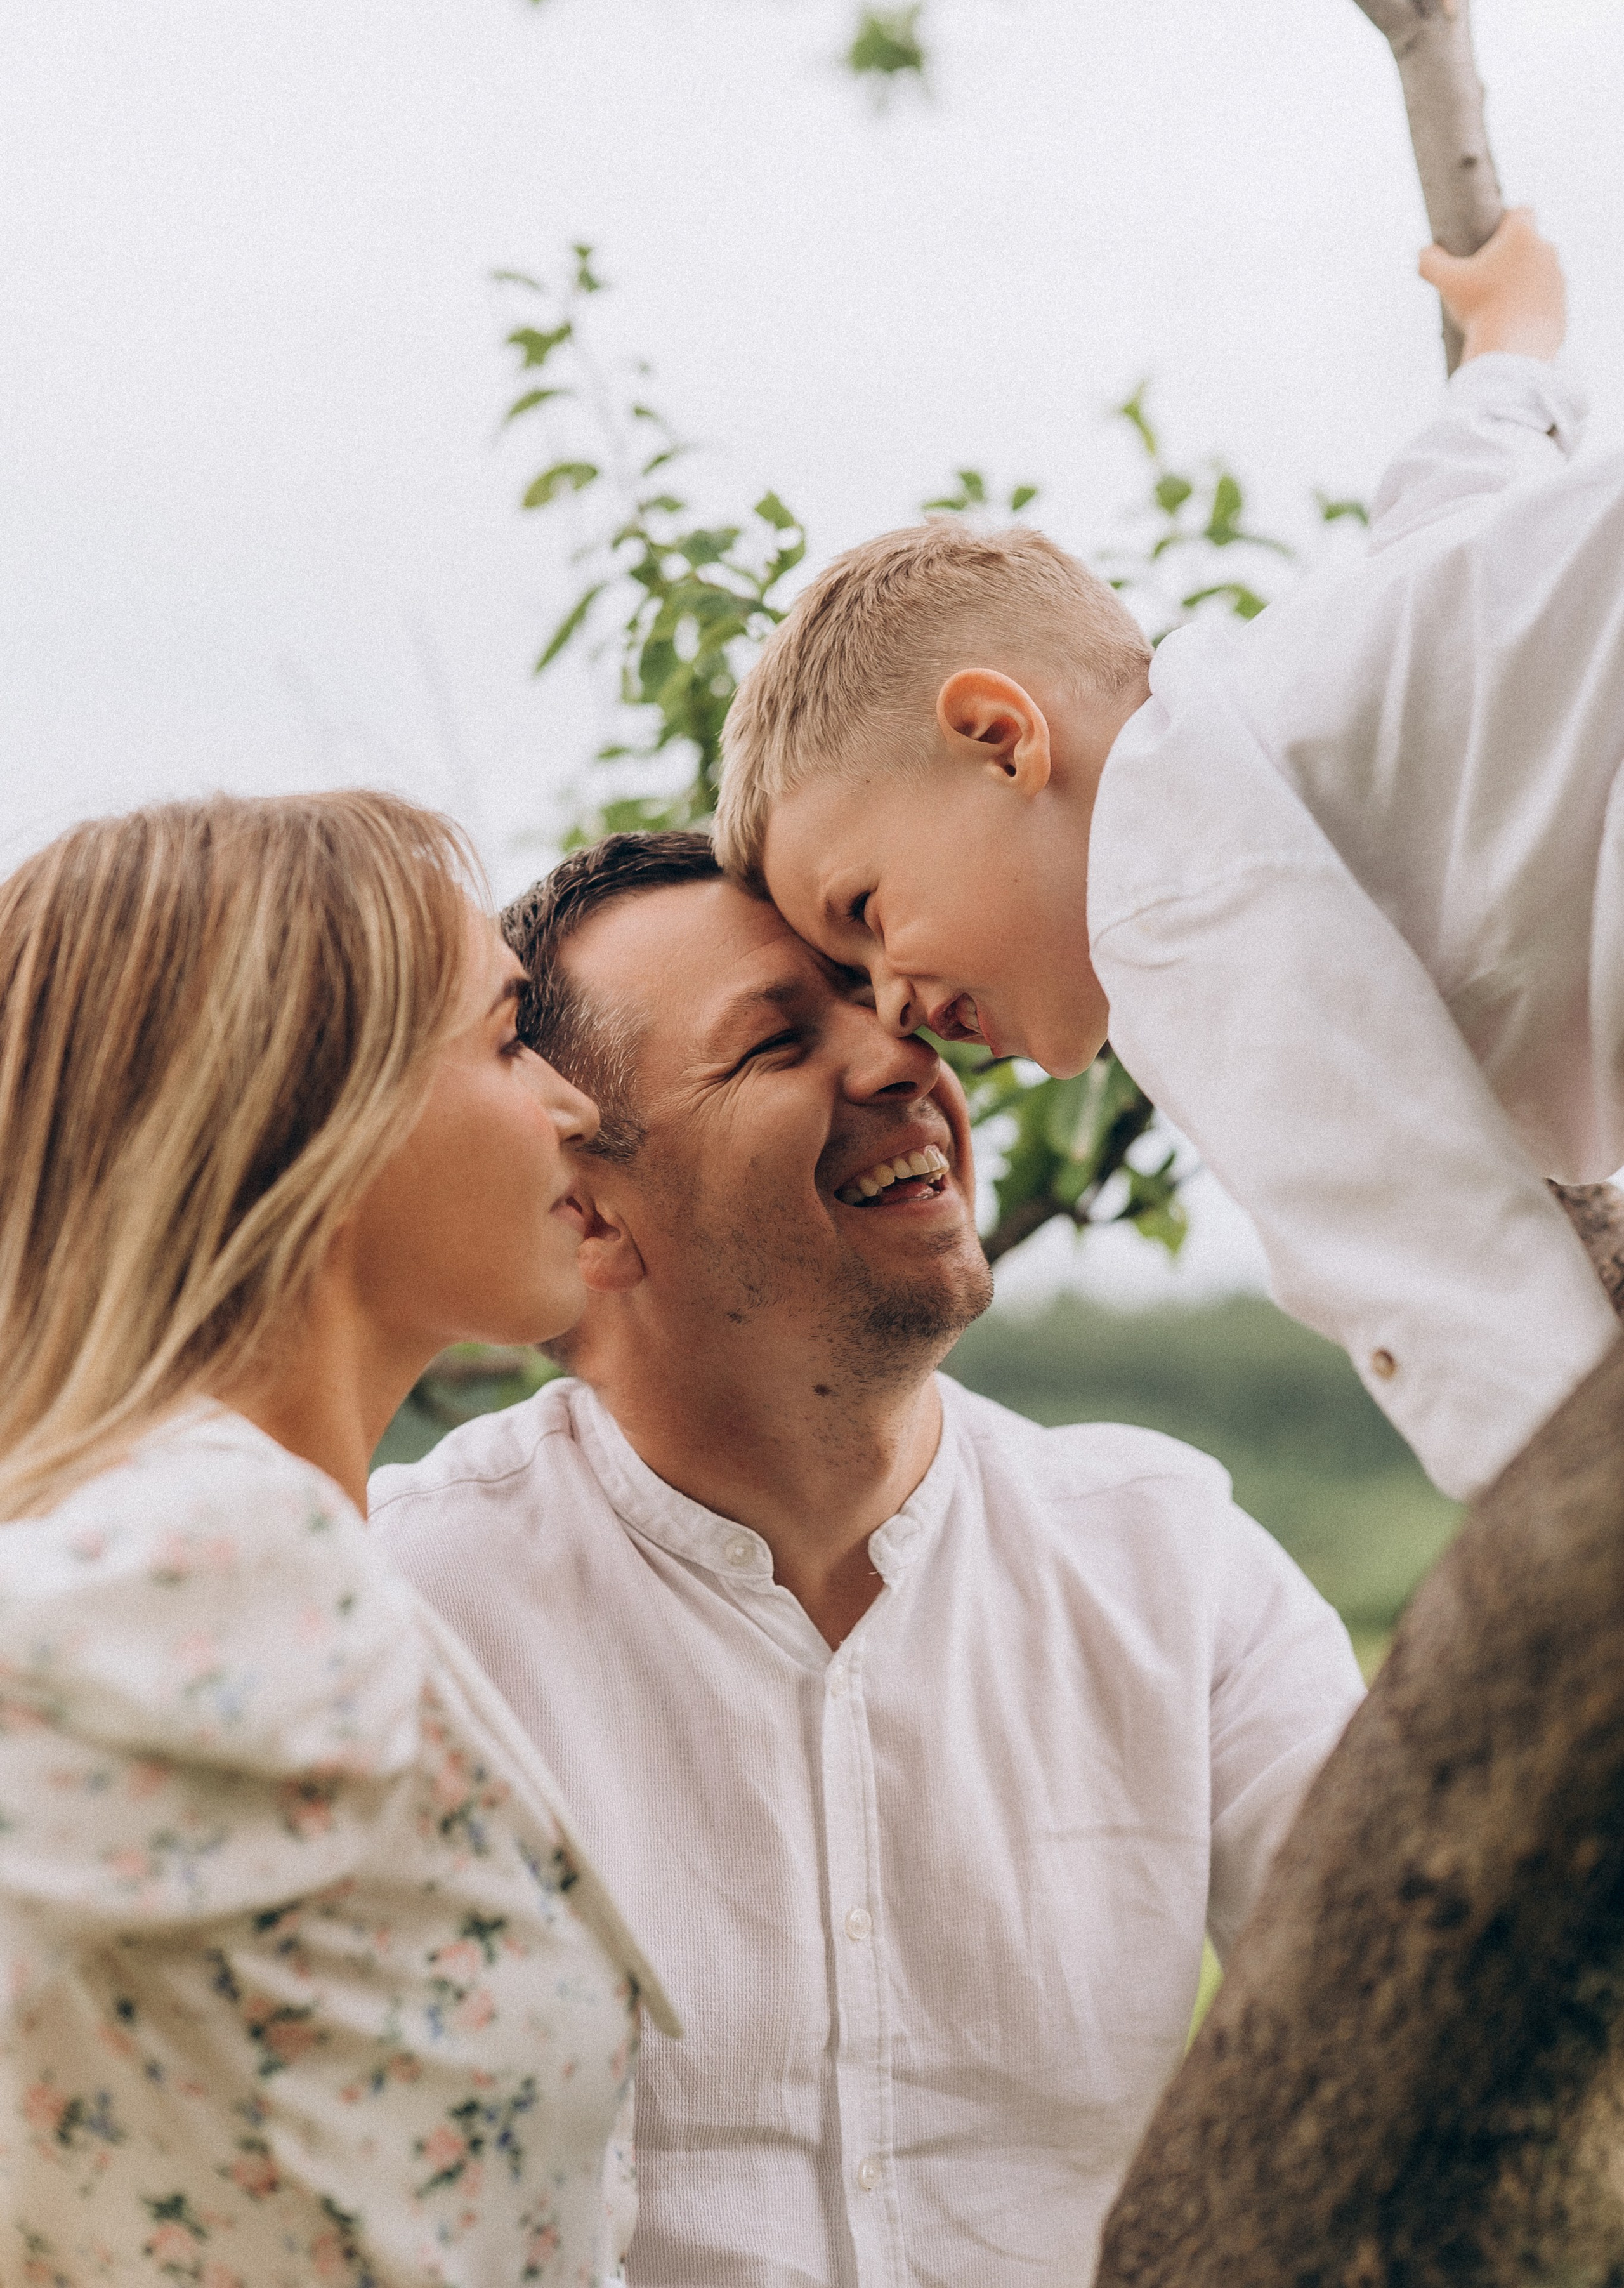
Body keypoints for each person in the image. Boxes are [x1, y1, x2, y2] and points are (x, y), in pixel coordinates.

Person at [369, 828, 1365, 2288]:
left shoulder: (1174, 1565)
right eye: (776, 1042)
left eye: (879, 1005)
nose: (901, 1061)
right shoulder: (407, 1615)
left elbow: (1436, 1992)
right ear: (585, 1212)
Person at [713, 212, 1624, 1507]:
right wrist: (1512, 339)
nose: (895, 1005)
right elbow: (1459, 501)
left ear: (999, 742)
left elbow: (1410, 1238)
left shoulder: (1158, 868)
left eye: (862, 910)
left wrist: (1561, 1503)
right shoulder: (1321, 701)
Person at [0, 791, 677, 2288]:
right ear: (312, 1113)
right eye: (504, 1041)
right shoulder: (231, 1542)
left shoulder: (253, 1538)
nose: (572, 1108)